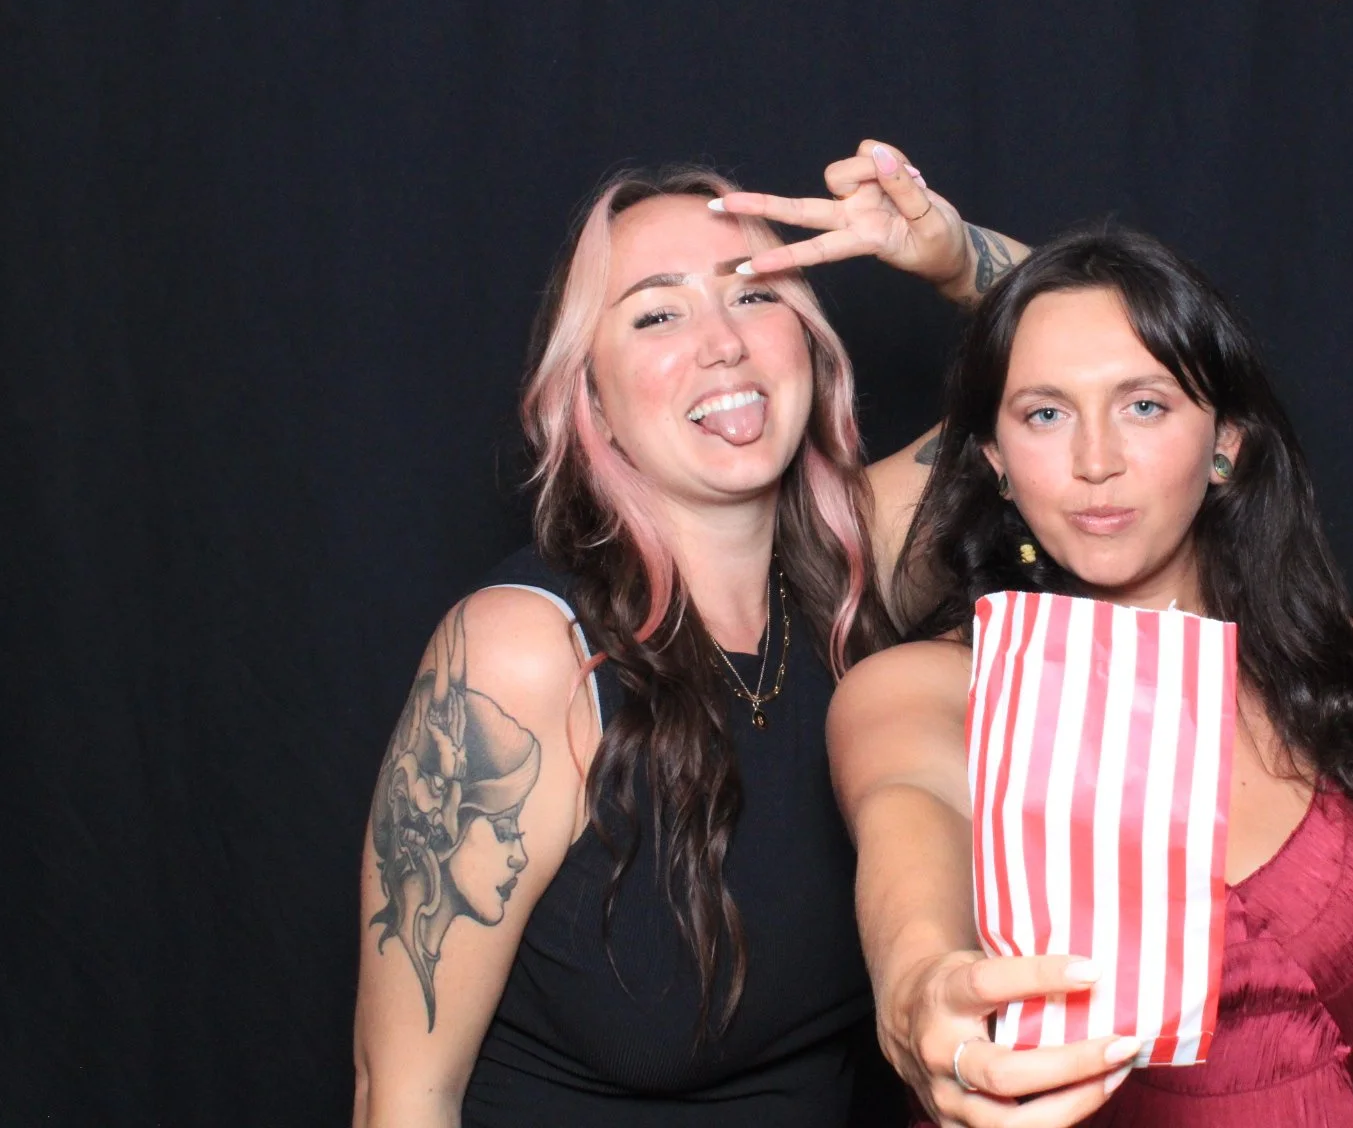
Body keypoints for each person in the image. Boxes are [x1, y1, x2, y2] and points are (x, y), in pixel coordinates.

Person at [352, 141, 1029, 1127]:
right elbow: (403, 1094)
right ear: (593, 402)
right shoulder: (521, 654)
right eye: (659, 312)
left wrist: (951, 253)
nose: (723, 344)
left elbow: (1132, 368)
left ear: (807, 340)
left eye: (755, 294)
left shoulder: (859, 571)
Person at [830, 229, 1353, 1127]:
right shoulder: (926, 689)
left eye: (1144, 406)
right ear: (995, 464)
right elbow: (906, 832)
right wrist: (926, 987)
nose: (1095, 460)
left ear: (1226, 442)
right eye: (1045, 414)